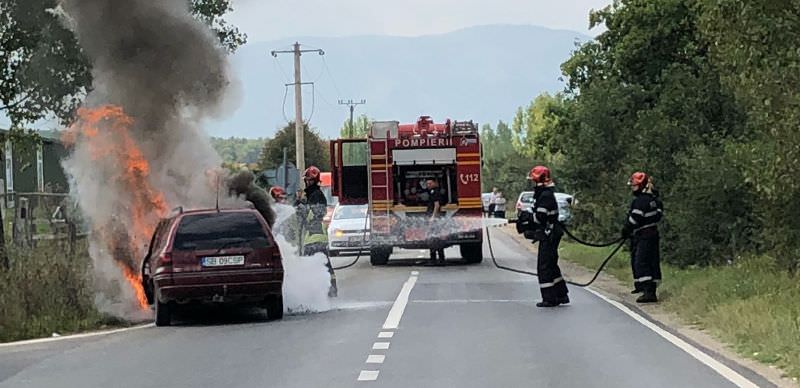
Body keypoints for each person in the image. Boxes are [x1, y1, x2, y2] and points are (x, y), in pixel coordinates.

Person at [529, 166, 569, 307]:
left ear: (539, 181)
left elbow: (540, 217)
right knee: (551, 264)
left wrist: (527, 217)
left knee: (544, 266)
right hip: (551, 233)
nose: (533, 184)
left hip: (549, 234)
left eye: (534, 181)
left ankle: (549, 298)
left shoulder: (545, 195)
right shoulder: (545, 194)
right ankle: (561, 294)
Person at [621, 172, 663, 303]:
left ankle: (648, 292)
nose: (633, 189)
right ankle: (644, 287)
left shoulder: (640, 202)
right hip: (651, 234)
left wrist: (626, 230)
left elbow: (635, 219)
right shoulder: (653, 200)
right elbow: (658, 215)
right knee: (651, 262)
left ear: (641, 186)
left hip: (644, 235)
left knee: (641, 262)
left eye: (634, 186)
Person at [296, 166, 337, 297]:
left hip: (315, 237)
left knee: (312, 266)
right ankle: (330, 290)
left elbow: (317, 213)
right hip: (313, 237)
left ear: (312, 181)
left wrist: (302, 208)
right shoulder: (311, 195)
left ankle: (321, 292)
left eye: (308, 180)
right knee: (323, 265)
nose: (307, 183)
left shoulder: (317, 195)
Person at [425, 178, 446, 265]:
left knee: (433, 239)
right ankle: (440, 259)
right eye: (427, 184)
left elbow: (437, 205)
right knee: (436, 238)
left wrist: (433, 217)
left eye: (430, 183)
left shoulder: (434, 192)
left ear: (435, 183)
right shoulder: (433, 191)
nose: (428, 185)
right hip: (435, 218)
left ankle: (434, 259)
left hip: (435, 219)